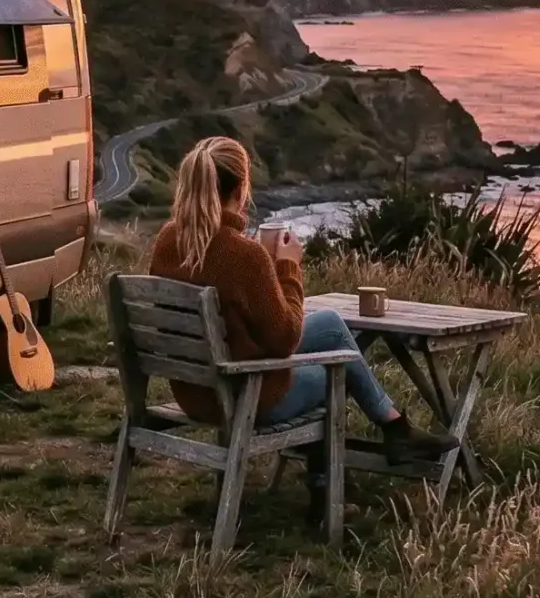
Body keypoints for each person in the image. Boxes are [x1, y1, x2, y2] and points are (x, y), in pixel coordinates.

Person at [145, 136, 451, 513]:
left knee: (330, 325)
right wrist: (287, 267)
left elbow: (238, 319)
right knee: (336, 370)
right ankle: (336, 485)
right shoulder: (245, 256)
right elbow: (284, 339)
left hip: (195, 391)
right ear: (240, 190)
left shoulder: (168, 239)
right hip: (244, 396)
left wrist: (261, 273)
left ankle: (392, 427)